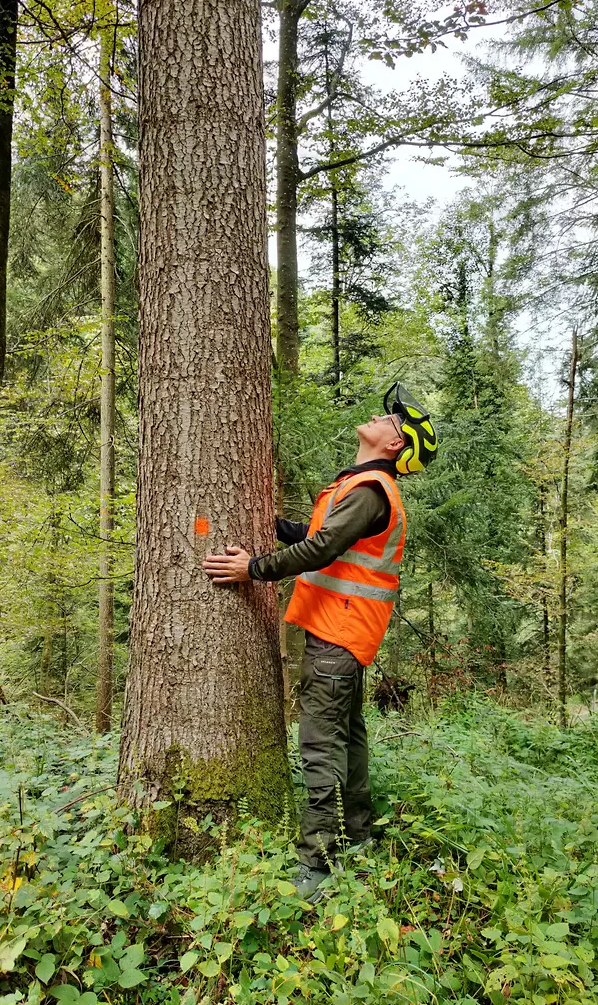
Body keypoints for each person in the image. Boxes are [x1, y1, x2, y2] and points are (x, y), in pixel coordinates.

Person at [203, 382, 437, 901]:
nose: (381, 418)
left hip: (339, 633)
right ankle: (358, 833)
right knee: (348, 735)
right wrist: (273, 525)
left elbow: (326, 548)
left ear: (395, 445)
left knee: (319, 743)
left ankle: (318, 861)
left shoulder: (372, 489)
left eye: (391, 421)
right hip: (342, 632)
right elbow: (321, 535)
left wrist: (254, 568)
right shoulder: (359, 485)